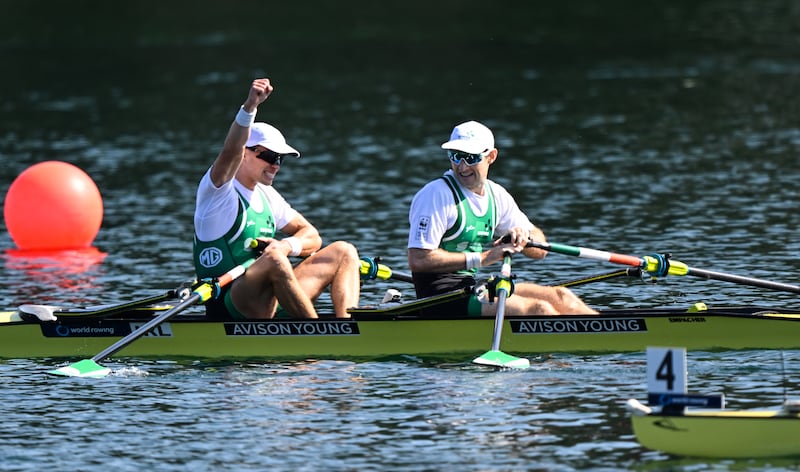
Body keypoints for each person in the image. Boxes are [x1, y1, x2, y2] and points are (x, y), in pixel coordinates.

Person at [193, 78, 361, 319]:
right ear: (244, 154)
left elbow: (312, 236)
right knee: (274, 259)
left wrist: (286, 245)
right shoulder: (218, 193)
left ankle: (347, 325)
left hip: (269, 298)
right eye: (270, 156)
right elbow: (230, 150)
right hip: (231, 304)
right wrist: (250, 107)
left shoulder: (267, 195)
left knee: (344, 251)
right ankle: (317, 335)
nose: (276, 165)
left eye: (280, 159)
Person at [407, 120, 598, 316]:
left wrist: (525, 237)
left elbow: (540, 251)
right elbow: (419, 260)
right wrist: (486, 257)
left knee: (561, 297)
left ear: (491, 156)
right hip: (438, 298)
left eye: (471, 158)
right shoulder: (436, 195)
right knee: (540, 310)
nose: (462, 167)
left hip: (471, 288)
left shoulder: (497, 195)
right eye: (456, 157)